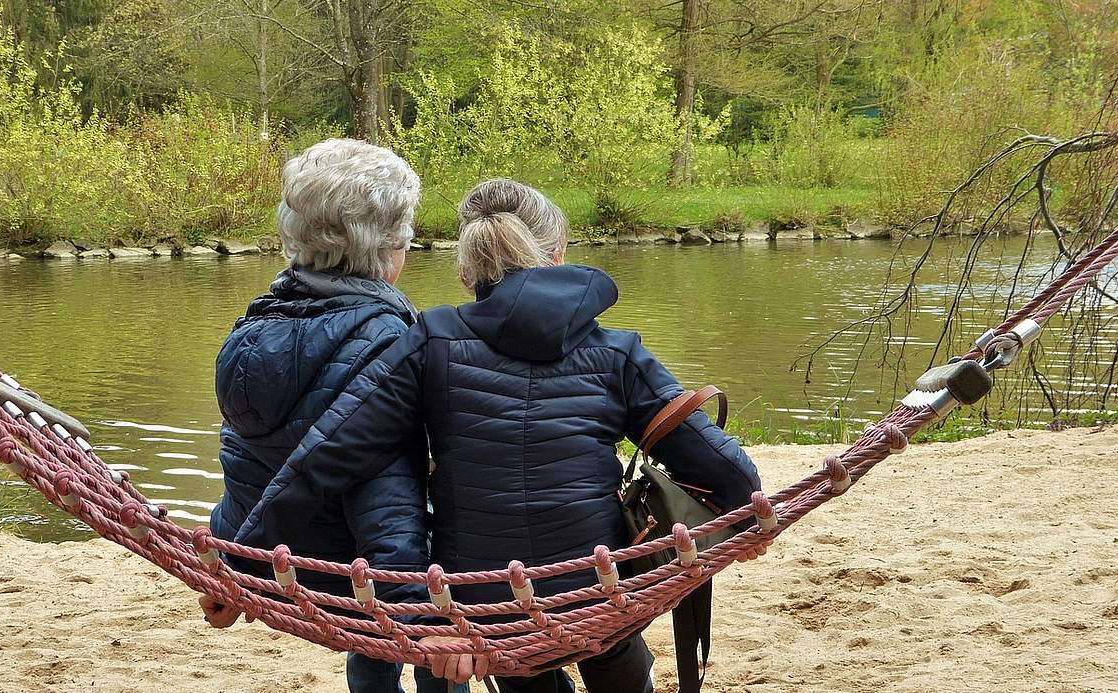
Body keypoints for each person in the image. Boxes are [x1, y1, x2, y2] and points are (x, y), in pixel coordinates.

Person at [237, 179, 762, 691]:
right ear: (557, 254)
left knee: (514, 659)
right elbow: (727, 474)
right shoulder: (618, 353)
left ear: (467, 272)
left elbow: (328, 455)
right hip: (599, 592)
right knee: (611, 635)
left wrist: (241, 564)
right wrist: (746, 520)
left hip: (485, 608)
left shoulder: (429, 341)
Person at [202, 138, 461, 693]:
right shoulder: (391, 343)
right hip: (366, 572)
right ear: (388, 248)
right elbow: (387, 500)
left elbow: (244, 463)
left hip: (285, 561)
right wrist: (421, 617)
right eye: (406, 235)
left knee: (369, 642)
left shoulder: (249, 333)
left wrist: (229, 562)